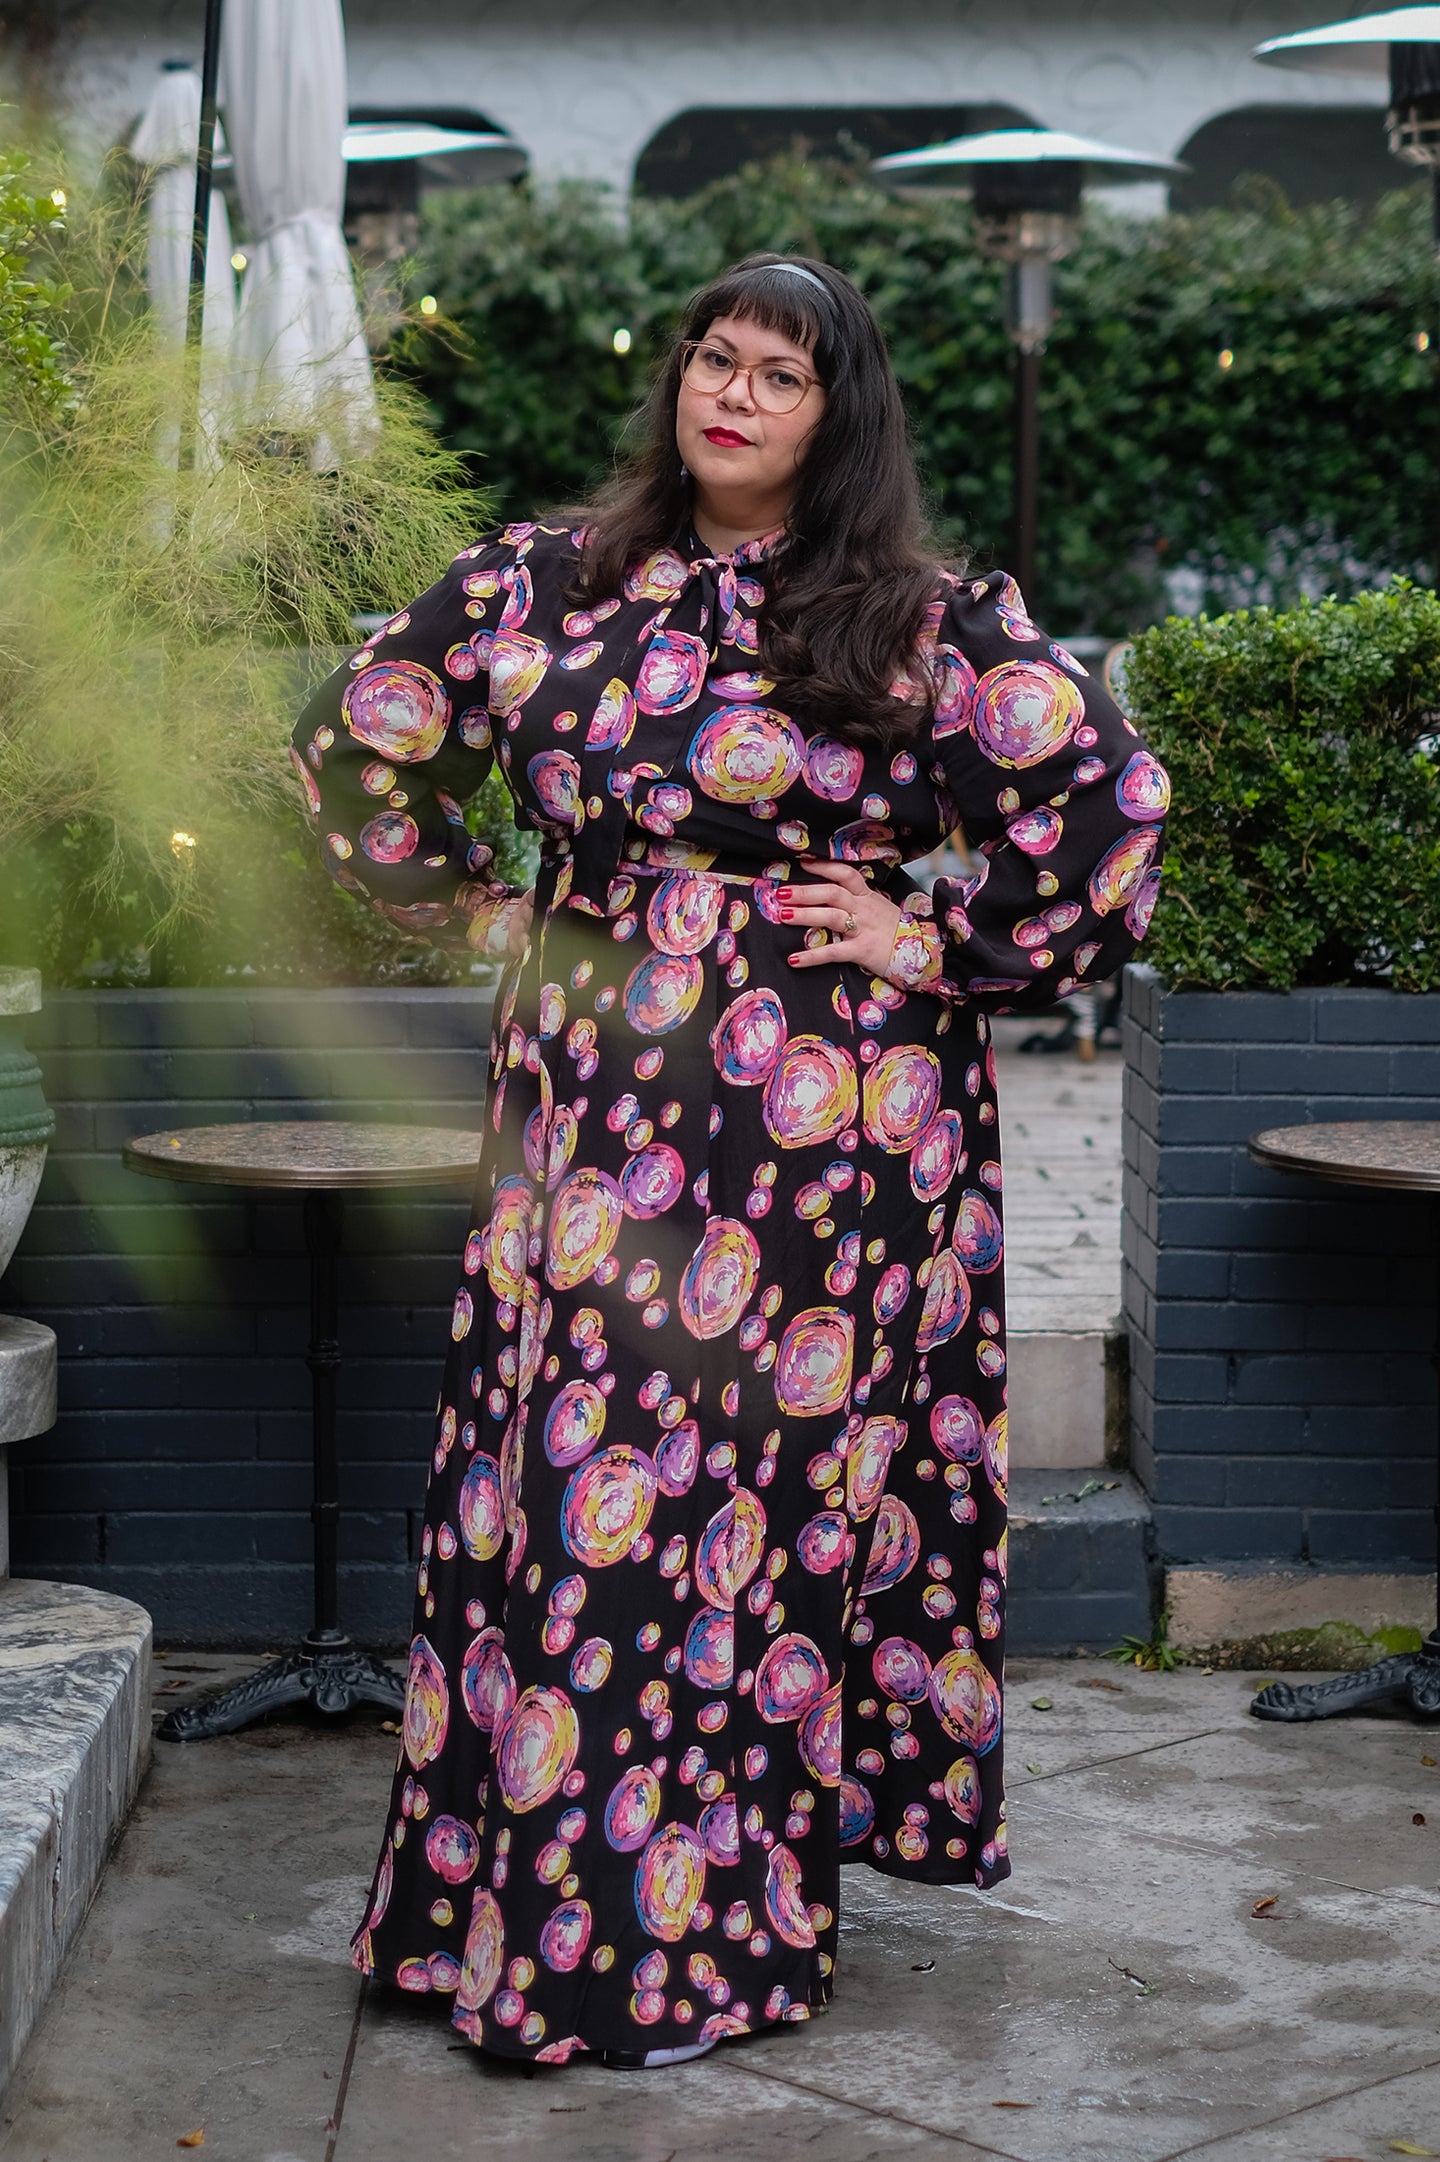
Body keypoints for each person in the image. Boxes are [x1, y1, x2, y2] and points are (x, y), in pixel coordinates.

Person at [292, 252, 1168, 2070]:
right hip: (587, 1107)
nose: (735, 393)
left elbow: (1109, 804)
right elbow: (351, 741)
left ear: (839, 417)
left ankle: (685, 1936)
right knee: (564, 1488)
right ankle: (516, 1906)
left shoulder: (916, 616)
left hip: (815, 1130)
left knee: (732, 1515)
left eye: (781, 372)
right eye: (714, 356)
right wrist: (476, 907)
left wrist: (935, 936)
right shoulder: (546, 579)